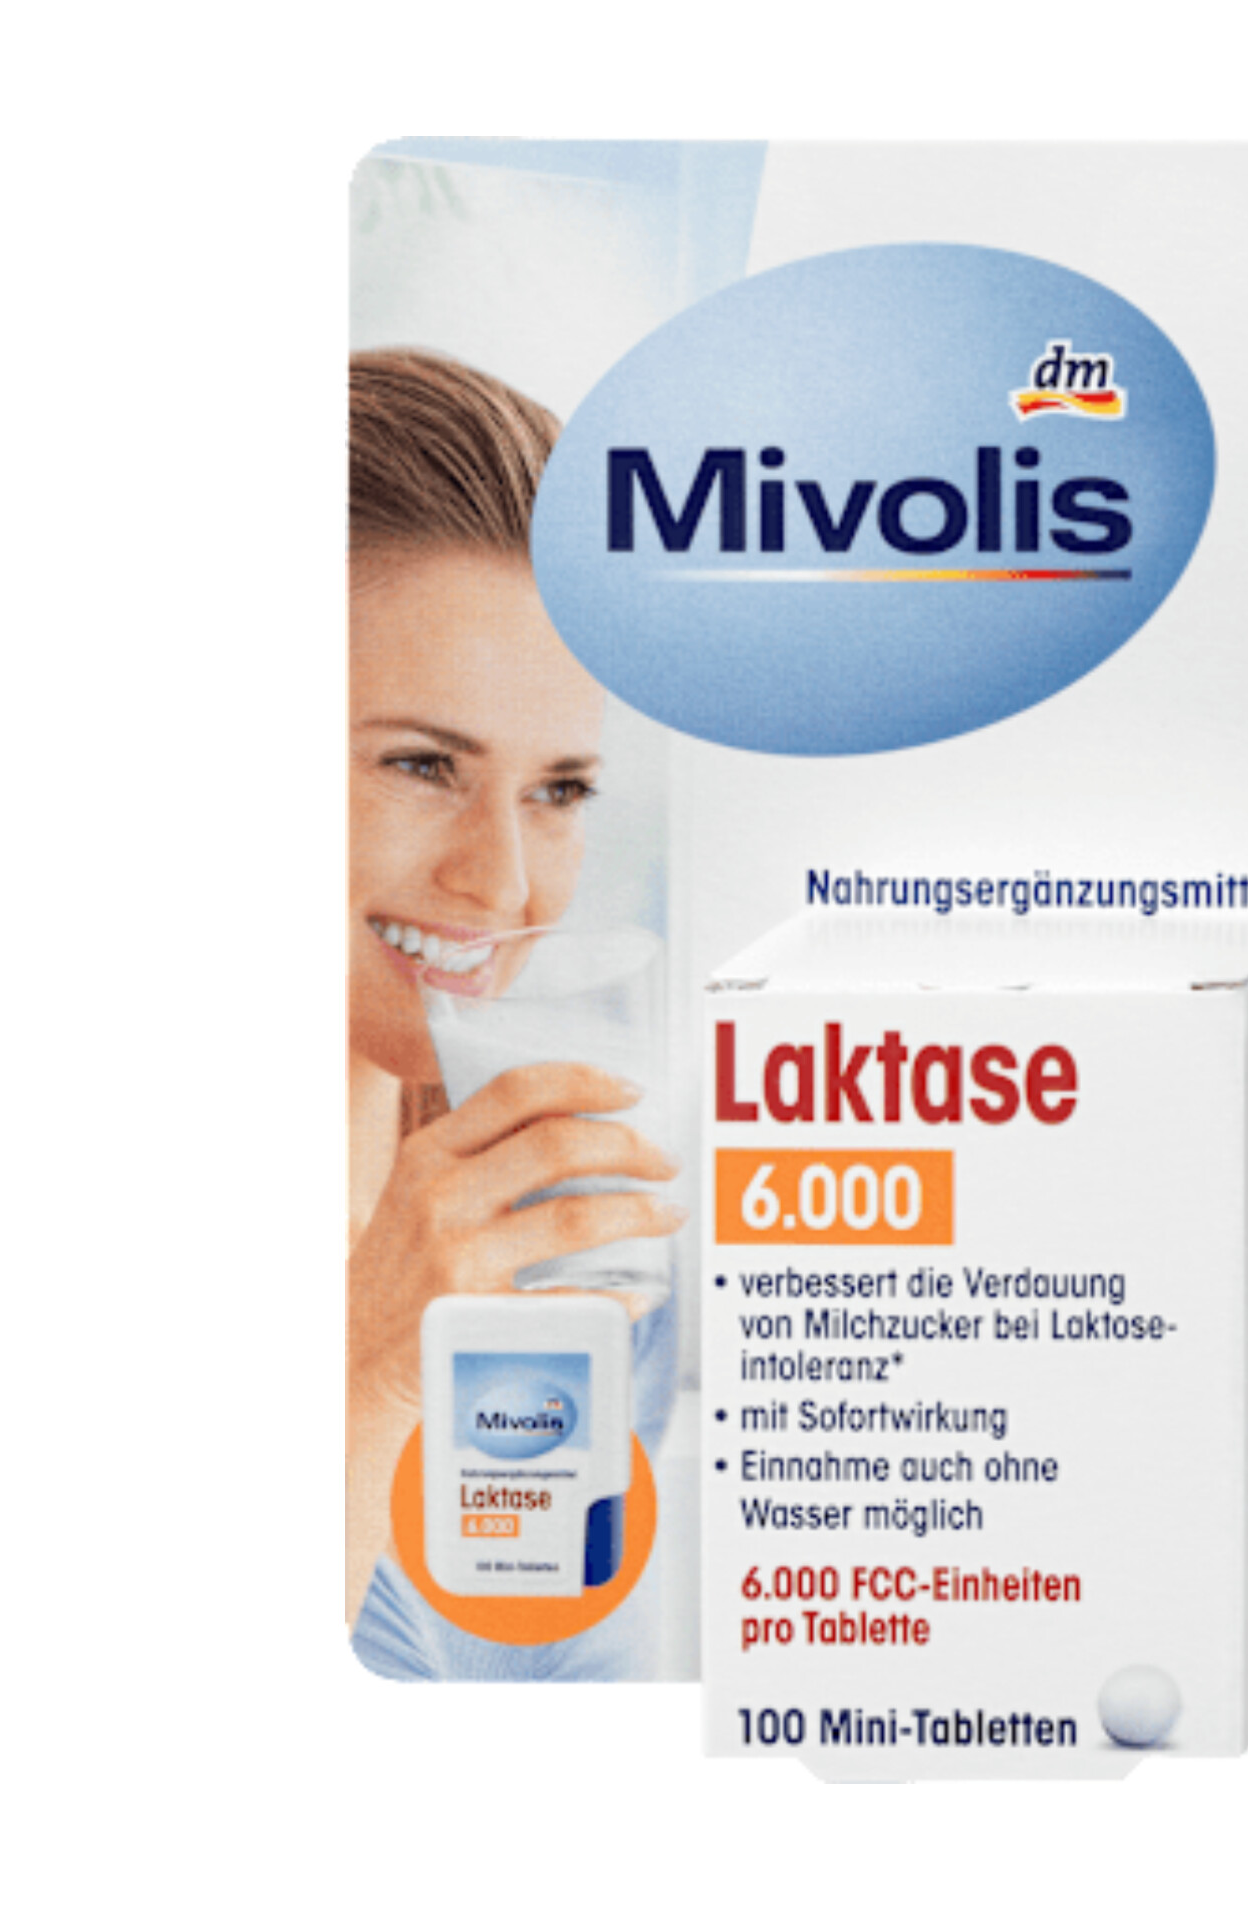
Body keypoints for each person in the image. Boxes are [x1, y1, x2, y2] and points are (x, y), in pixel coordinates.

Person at [346, 349, 683, 1675]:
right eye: (422, 764)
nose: (504, 885)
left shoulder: (549, 1240)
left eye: (559, 790)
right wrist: (367, 1376)